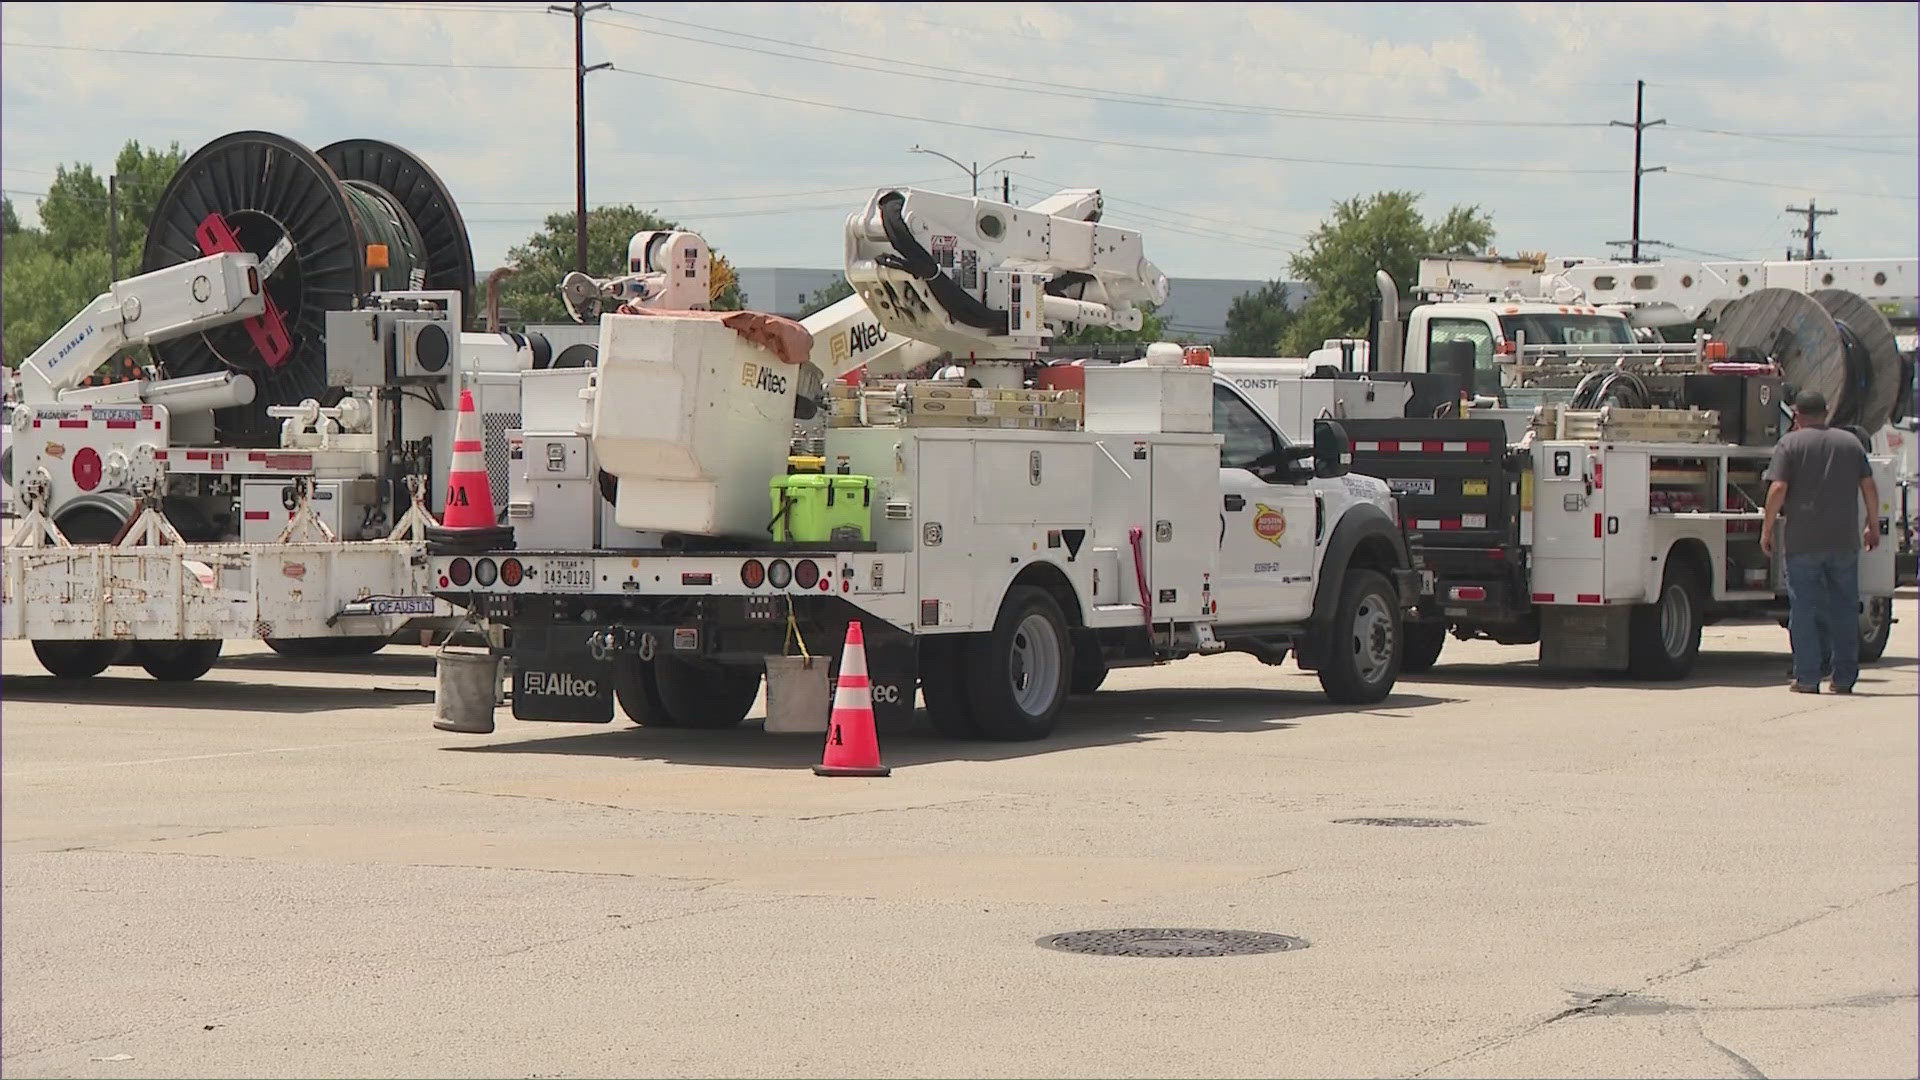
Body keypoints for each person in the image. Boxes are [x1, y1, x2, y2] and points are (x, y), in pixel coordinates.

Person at [1761, 391, 1879, 694]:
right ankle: (1843, 679)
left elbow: (1778, 489)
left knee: (1804, 610)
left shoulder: (1790, 444)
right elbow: (1868, 486)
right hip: (1843, 542)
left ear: (1797, 415)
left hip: (1803, 542)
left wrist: (1767, 529)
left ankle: (1808, 677)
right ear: (1826, 412)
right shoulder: (1850, 443)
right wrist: (1873, 525)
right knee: (1844, 609)